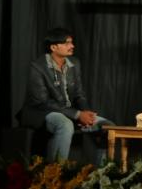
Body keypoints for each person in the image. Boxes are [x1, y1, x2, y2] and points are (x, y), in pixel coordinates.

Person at [17, 27, 113, 162]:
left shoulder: (74, 63)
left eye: (71, 42)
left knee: (108, 126)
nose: (72, 46)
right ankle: (56, 170)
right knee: (65, 124)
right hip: (41, 112)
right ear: (53, 47)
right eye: (67, 43)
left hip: (69, 112)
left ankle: (101, 170)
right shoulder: (37, 67)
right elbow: (43, 102)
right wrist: (78, 115)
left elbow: (79, 94)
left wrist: (86, 113)